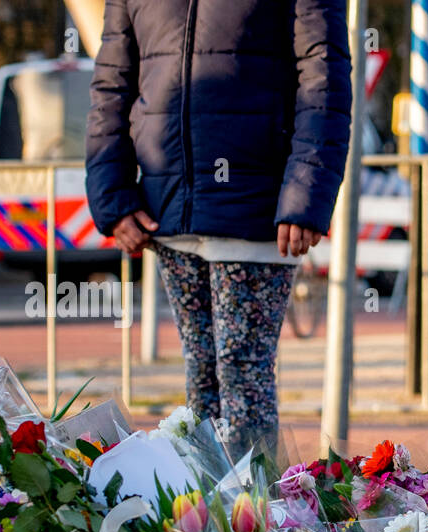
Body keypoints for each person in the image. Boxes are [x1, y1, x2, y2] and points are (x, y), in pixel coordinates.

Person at [86, 0, 352, 450]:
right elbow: (111, 85)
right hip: (170, 207)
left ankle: (253, 515)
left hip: (255, 207)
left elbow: (324, 79)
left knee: (243, 372)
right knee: (202, 376)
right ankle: (204, 516)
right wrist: (113, 198)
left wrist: (305, 195)